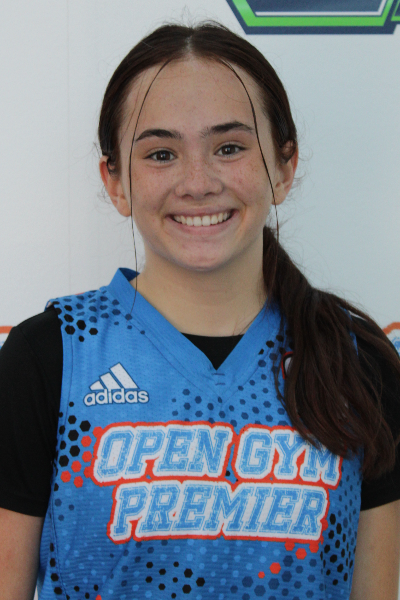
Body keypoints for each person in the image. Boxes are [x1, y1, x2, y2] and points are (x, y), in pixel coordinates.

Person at [1, 22, 400, 600]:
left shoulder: (354, 364)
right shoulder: (51, 358)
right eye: (161, 154)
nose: (197, 182)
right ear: (115, 182)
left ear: (284, 165)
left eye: (229, 147)